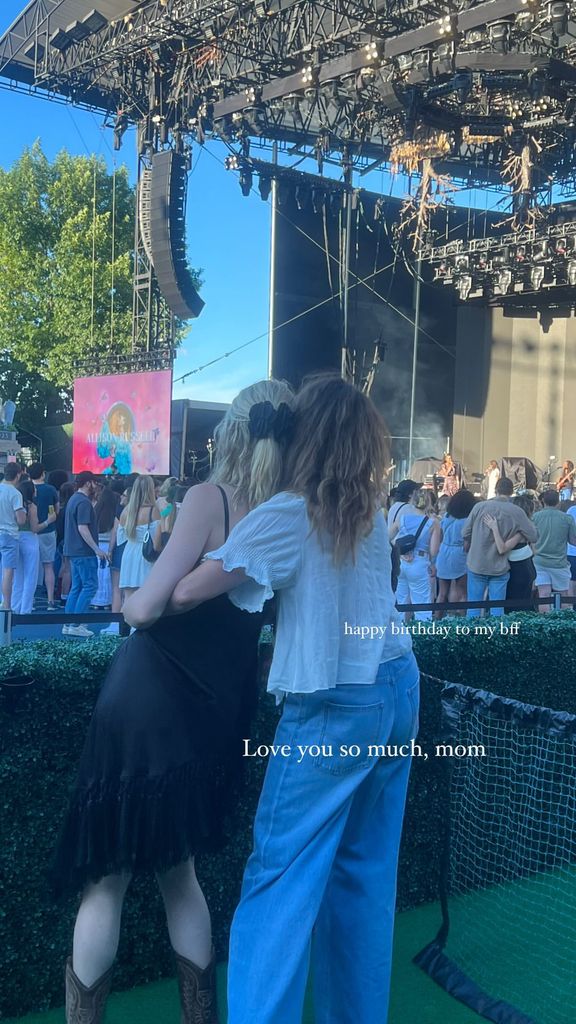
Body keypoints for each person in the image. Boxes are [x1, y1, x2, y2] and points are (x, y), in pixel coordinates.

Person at [161, 374, 419, 1024]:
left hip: (333, 706)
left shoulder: (289, 512)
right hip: (397, 687)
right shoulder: (369, 511)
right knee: (362, 883)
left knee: (277, 885)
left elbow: (188, 590)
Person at [51, 379, 295, 1024]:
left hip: (145, 698)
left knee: (105, 883)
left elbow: (147, 606)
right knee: (178, 876)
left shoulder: (210, 498)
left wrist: (142, 599)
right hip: (212, 716)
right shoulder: (291, 514)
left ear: (233, 433)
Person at [462, 477, 537, 617]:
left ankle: (471, 635)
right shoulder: (517, 511)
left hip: (477, 563)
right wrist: (519, 534)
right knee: (497, 609)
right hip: (499, 565)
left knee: (473, 606)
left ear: (496, 490)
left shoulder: (479, 507)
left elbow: (465, 533)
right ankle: (498, 636)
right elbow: (533, 536)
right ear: (511, 491)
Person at [62, 472, 110, 639]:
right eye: (95, 482)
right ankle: (77, 624)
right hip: (84, 551)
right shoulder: (84, 503)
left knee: (77, 587)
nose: (96, 485)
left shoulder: (73, 500)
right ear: (88, 483)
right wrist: (97, 549)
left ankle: (69, 623)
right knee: (89, 586)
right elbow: (83, 528)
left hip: (73, 551)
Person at [389, 487, 441, 621]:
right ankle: (422, 637)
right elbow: (434, 551)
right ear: (429, 503)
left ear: (412, 501)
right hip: (420, 562)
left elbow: (388, 537)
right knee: (422, 605)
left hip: (401, 563)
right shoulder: (433, 523)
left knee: (400, 601)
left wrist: (401, 553)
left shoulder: (402, 519)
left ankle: (398, 635)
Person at [483, 493, 538, 613]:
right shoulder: (526, 527)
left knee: (515, 606)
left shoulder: (521, 529)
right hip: (524, 566)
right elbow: (535, 550)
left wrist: (494, 528)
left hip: (519, 570)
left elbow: (502, 548)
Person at [12, 480, 56, 614]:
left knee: (17, 575)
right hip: (30, 540)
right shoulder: (32, 507)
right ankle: (26, 608)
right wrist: (49, 521)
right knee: (31, 575)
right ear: (31, 491)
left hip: (16, 538)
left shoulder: (16, 505)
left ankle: (14, 606)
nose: (36, 491)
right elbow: (35, 528)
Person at [531, 489, 576, 612]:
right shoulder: (567, 518)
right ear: (558, 502)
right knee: (564, 595)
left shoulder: (535, 517)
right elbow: (573, 541)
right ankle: (563, 625)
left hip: (539, 561)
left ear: (543, 501)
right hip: (559, 563)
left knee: (543, 595)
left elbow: (531, 538)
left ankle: (544, 625)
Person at [434, 488, 477, 617]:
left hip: (444, 552)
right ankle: (461, 621)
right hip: (460, 554)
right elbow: (467, 543)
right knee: (463, 592)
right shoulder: (467, 521)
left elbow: (440, 536)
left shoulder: (446, 517)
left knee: (442, 593)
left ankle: (436, 620)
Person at [116, 475, 160, 598]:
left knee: (128, 596)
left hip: (129, 553)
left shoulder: (126, 511)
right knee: (146, 596)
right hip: (146, 555)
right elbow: (156, 544)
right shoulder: (153, 510)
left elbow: (120, 539)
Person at [28, 463, 60, 610]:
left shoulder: (26, 488)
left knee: (31, 568)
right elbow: (56, 510)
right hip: (48, 531)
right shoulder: (51, 489)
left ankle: (31, 599)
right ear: (43, 474)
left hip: (30, 533)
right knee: (48, 566)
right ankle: (50, 601)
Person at [0, 463, 26, 610]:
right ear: (18, 475)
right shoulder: (15, 493)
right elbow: (21, 520)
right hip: (9, 534)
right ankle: (6, 605)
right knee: (8, 571)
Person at [91, 486, 117, 610]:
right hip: (108, 546)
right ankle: (107, 601)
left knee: (97, 573)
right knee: (107, 575)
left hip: (96, 546)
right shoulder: (113, 514)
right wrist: (111, 550)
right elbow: (114, 533)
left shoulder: (95, 511)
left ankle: (96, 601)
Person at [55, 482, 75, 605]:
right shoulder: (72, 507)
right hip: (70, 541)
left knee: (64, 567)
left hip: (62, 541)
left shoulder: (62, 510)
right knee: (68, 569)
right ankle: (65, 595)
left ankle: (60, 592)